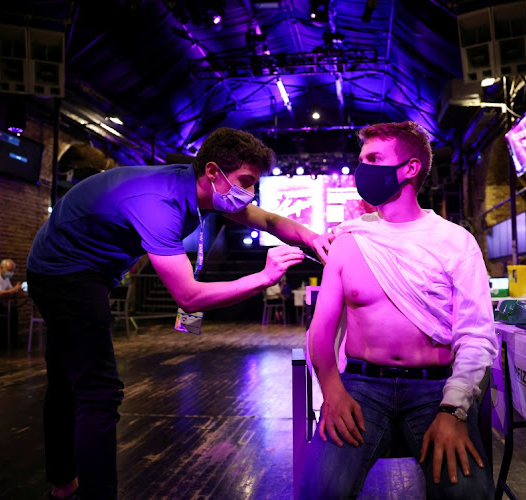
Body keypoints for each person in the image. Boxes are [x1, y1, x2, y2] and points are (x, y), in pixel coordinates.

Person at [27, 127, 333, 500]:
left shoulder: (195, 188)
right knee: (99, 392)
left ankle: (62, 484)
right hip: (64, 272)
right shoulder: (160, 204)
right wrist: (264, 277)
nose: (250, 193)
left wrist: (311, 238)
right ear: (213, 172)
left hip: (83, 269)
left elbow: (269, 221)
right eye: (246, 182)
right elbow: (189, 297)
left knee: (65, 384)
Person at [300, 121, 496, 499]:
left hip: (435, 387)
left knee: (468, 494)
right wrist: (332, 390)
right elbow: (320, 332)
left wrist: (454, 410)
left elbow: (476, 335)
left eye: (373, 158)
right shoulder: (351, 239)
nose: (362, 170)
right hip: (360, 386)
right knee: (320, 488)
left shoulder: (455, 242)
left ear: (410, 168)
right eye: (361, 160)